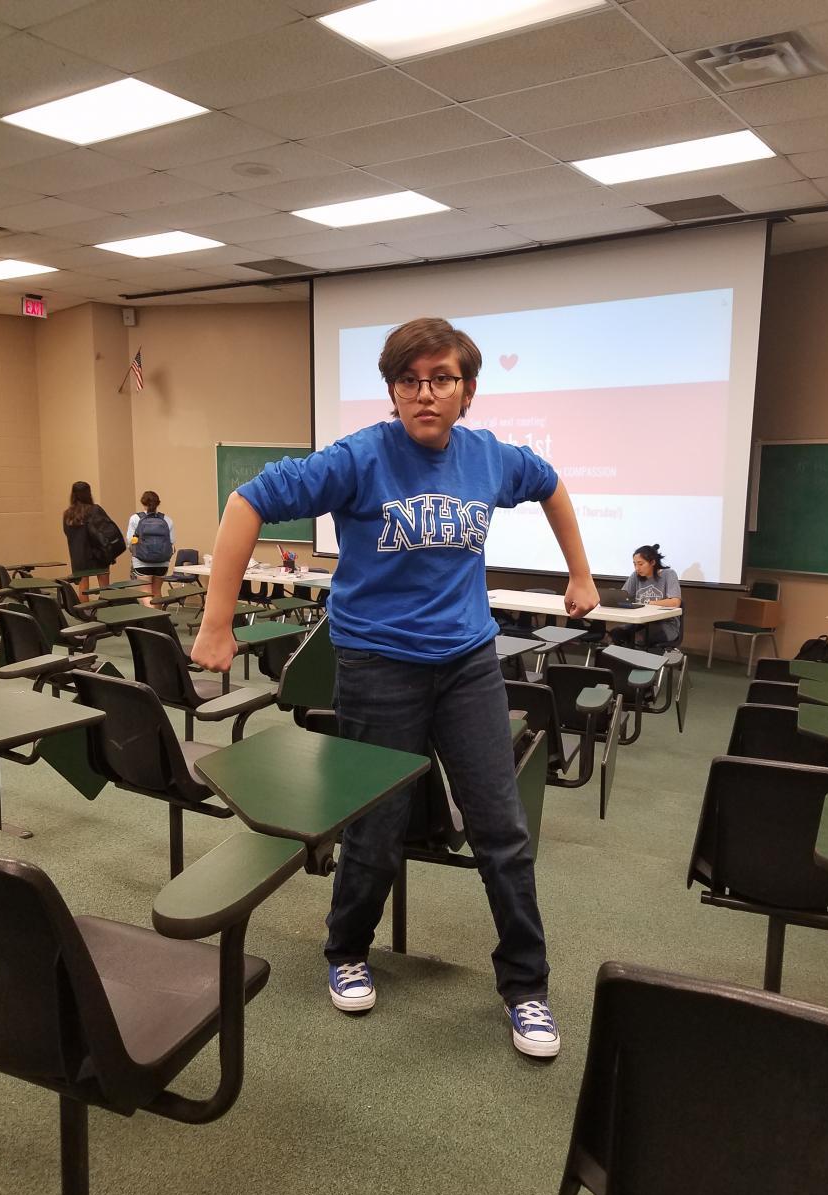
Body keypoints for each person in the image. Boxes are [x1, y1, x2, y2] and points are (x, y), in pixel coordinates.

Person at [191, 316, 599, 1059]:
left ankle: (526, 987)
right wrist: (217, 622)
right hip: (378, 666)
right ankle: (347, 949)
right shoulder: (359, 458)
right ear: (392, 391)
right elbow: (246, 501)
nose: (425, 393)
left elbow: (551, 484)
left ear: (467, 390)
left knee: (502, 832)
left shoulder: (490, 458)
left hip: (468, 664)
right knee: (374, 832)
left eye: (442, 379)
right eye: (408, 381)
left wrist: (581, 573)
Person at [617, 543, 682, 650]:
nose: (637, 568)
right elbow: (622, 596)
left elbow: (675, 602)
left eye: (640, 564)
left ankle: (637, 660)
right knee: (617, 634)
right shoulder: (635, 576)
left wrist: (648, 603)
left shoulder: (668, 574)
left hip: (666, 625)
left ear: (652, 562)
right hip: (641, 622)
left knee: (638, 638)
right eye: (635, 564)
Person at [62, 481, 114, 602]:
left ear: (73, 494)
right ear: (88, 493)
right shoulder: (95, 510)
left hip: (79, 556)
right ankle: (106, 610)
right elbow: (108, 529)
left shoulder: (68, 514)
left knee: (83, 588)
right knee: (105, 588)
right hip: (98, 555)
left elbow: (67, 533)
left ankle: (85, 611)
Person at [125, 490, 174, 606]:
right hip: (162, 562)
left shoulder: (135, 518)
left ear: (143, 503)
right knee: (157, 591)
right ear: (158, 503)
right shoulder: (167, 519)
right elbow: (172, 543)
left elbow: (130, 542)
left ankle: (152, 617)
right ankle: (159, 617)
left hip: (142, 561)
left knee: (146, 593)